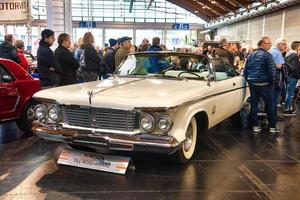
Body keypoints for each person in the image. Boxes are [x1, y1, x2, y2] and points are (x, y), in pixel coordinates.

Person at [244, 37, 281, 134]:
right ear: (262, 44)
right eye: (268, 43)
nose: (270, 45)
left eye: (270, 43)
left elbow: (246, 70)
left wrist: (249, 80)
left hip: (252, 83)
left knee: (254, 105)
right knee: (270, 105)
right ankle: (272, 127)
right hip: (264, 84)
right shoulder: (268, 55)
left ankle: (255, 126)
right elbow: (272, 72)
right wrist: (271, 84)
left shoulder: (251, 55)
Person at [270, 38, 287, 119]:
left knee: (271, 97)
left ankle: (271, 114)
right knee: (275, 97)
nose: (285, 46)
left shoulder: (272, 51)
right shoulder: (277, 53)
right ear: (279, 44)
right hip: (277, 78)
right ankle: (273, 116)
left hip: (271, 78)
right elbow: (279, 66)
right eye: (284, 44)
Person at [283, 41, 300, 116]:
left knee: (288, 93)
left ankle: (288, 108)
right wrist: (298, 76)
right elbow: (295, 68)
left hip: (288, 76)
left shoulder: (288, 54)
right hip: (292, 77)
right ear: (297, 47)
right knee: (290, 94)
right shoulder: (295, 55)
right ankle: (287, 110)